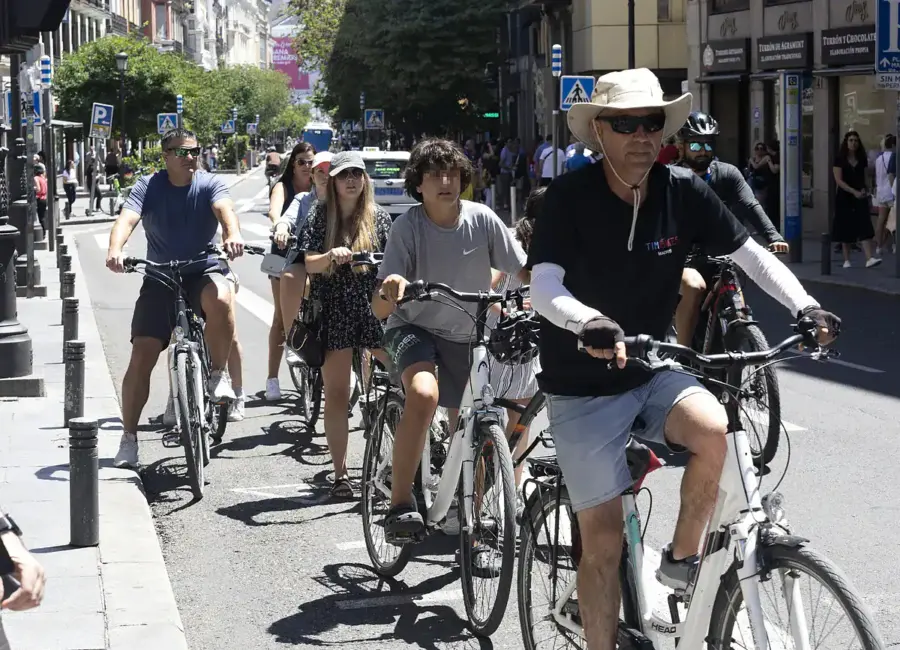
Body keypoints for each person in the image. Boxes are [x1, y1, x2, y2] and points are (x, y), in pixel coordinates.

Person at [527, 68, 841, 649]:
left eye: (652, 122)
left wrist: (807, 305)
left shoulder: (684, 190)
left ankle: (679, 559)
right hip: (582, 385)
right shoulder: (568, 197)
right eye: (626, 124)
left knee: (716, 430)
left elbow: (751, 256)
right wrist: (586, 320)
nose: (642, 134)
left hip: (651, 368)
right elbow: (542, 286)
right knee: (601, 547)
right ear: (600, 131)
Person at [373, 138, 528, 545]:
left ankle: (470, 517)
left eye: (454, 173)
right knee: (424, 395)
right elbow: (383, 297)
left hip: (468, 331)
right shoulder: (408, 226)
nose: (446, 181)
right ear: (418, 185)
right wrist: (394, 287)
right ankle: (401, 503)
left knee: (477, 422)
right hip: (413, 328)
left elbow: (524, 269)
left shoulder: (482, 218)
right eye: (434, 174)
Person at [106, 128, 245, 469]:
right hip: (160, 275)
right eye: (182, 152)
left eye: (195, 151)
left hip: (202, 269)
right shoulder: (148, 186)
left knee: (222, 297)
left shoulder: (209, 183)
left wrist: (233, 234)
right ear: (165, 155)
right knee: (142, 356)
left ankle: (216, 376)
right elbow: (127, 219)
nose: (190, 158)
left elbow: (225, 210)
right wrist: (115, 249)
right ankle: (129, 439)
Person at [298, 151, 392, 498]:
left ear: (365, 180)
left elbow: (395, 262)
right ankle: (340, 475)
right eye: (343, 175)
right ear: (333, 181)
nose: (351, 180)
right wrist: (330, 256)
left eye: (357, 173)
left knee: (403, 377)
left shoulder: (379, 218)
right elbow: (307, 263)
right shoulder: (320, 215)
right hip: (335, 311)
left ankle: (401, 460)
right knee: (336, 394)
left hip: (375, 309)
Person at [673, 111, 789, 347]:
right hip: (682, 255)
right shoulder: (672, 177)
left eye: (708, 144)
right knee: (694, 289)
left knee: (733, 284)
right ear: (681, 146)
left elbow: (749, 204)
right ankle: (682, 354)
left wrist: (773, 236)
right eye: (696, 144)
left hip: (721, 250)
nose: (703, 150)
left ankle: (740, 324)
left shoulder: (727, 174)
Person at [264, 142, 315, 400]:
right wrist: (278, 227)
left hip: (312, 253)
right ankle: (272, 379)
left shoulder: (321, 187)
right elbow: (275, 211)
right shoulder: (282, 187)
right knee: (281, 317)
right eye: (302, 162)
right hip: (282, 251)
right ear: (292, 165)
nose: (307, 167)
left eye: (311, 162)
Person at [273, 151, 333, 341]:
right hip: (305, 257)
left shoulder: (343, 200)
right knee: (290, 277)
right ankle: (295, 338)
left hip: (337, 258)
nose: (325, 177)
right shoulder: (302, 200)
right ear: (312, 176)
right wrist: (281, 229)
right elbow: (286, 219)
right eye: (320, 172)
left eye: (330, 171)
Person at [832, 131, 881, 269]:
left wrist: (865, 189)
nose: (854, 143)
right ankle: (846, 260)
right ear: (846, 143)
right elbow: (838, 180)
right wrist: (853, 191)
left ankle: (869, 258)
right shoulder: (839, 159)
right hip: (845, 196)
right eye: (851, 140)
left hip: (860, 195)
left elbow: (865, 177)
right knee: (846, 227)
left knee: (864, 224)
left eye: (856, 141)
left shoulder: (862, 159)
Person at [873, 134, 895, 255]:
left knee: (881, 220)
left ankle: (878, 246)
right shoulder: (893, 156)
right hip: (891, 192)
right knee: (893, 219)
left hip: (880, 192)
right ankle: (892, 244)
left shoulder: (878, 159)